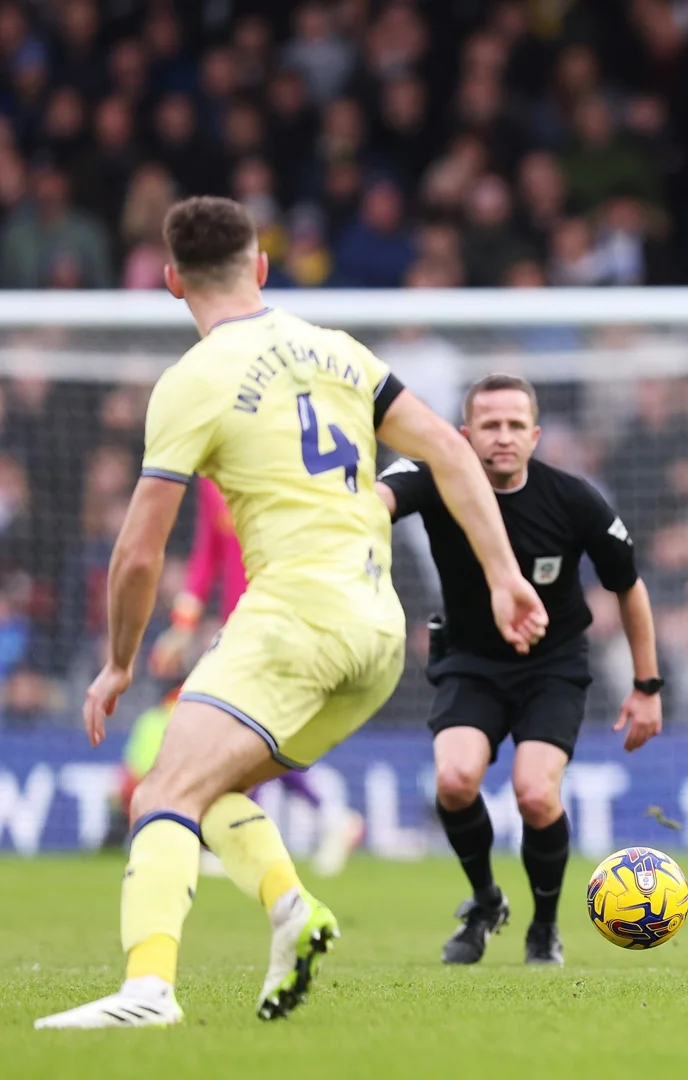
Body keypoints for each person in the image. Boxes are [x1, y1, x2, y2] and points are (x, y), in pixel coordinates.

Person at [36, 196, 546, 1030]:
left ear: (171, 281)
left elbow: (136, 552)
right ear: (263, 266)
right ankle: (289, 909)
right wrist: (502, 575)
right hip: (377, 632)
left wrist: (121, 662)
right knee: (211, 787)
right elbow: (452, 451)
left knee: (159, 787)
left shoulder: (193, 380)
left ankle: (147, 990)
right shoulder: (338, 349)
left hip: (294, 617)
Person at [375, 373, 663, 967]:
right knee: (454, 782)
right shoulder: (437, 475)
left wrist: (647, 687)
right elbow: (380, 496)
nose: (502, 438)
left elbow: (628, 586)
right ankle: (485, 902)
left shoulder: (574, 499)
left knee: (535, 794)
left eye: (514, 426)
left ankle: (545, 927)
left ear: (534, 435)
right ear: (464, 434)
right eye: (489, 426)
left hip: (551, 668)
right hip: (470, 661)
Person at [148, 477, 367, 878]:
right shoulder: (212, 481)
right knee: (254, 735)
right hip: (240, 627)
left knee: (246, 731)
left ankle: (248, 844)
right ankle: (326, 820)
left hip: (285, 623)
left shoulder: (286, 464)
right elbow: (207, 554)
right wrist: (183, 625)